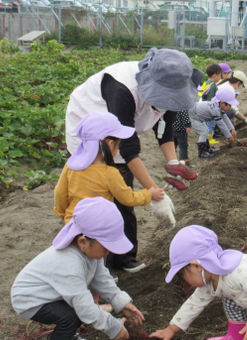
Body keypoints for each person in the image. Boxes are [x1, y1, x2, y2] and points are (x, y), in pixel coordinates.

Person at [65, 47, 202, 273]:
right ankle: (102, 267)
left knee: (123, 193)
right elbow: (128, 149)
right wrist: (154, 193)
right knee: (104, 201)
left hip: (120, 135)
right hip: (92, 129)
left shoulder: (171, 91)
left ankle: (125, 257)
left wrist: (173, 162)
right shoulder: (122, 89)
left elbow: (165, 130)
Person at [11, 197, 146, 340]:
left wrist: (121, 302)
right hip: (30, 300)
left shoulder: (90, 252)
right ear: (83, 241)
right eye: (106, 248)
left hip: (53, 293)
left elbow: (102, 279)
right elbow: (84, 306)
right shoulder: (68, 265)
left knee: (75, 312)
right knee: (71, 317)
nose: (109, 253)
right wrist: (113, 327)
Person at [150, 225, 247, 340]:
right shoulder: (210, 278)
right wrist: (170, 329)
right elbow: (194, 303)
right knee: (229, 299)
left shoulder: (236, 272)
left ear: (197, 266)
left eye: (182, 274)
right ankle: (235, 336)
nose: (184, 280)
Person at [54, 111, 164, 226]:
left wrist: (63, 213)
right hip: (98, 227)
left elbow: (60, 193)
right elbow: (128, 198)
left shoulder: (71, 166)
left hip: (73, 224)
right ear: (111, 144)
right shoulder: (109, 173)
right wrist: (149, 194)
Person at [189, 88, 238, 158]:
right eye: (229, 105)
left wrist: (232, 129)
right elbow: (221, 125)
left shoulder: (219, 106)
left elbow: (225, 117)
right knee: (204, 132)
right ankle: (202, 152)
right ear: (222, 103)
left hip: (197, 116)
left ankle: (208, 149)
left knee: (206, 131)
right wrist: (229, 137)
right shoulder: (215, 110)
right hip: (193, 117)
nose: (230, 108)